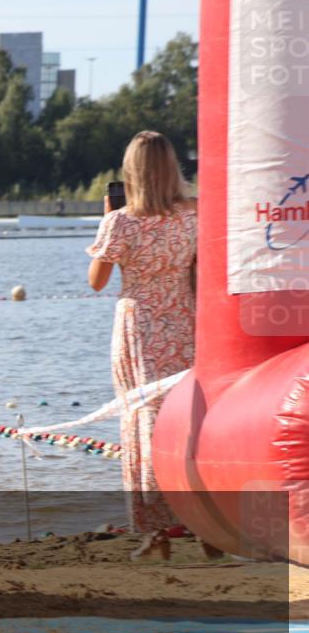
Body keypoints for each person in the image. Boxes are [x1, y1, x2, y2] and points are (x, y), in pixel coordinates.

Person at [86, 130, 200, 561]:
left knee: (143, 424)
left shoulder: (121, 221)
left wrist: (107, 222)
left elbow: (96, 282)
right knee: (189, 421)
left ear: (131, 171)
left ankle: (155, 531)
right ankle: (205, 523)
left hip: (139, 329)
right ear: (172, 168)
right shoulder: (195, 214)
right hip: (184, 322)